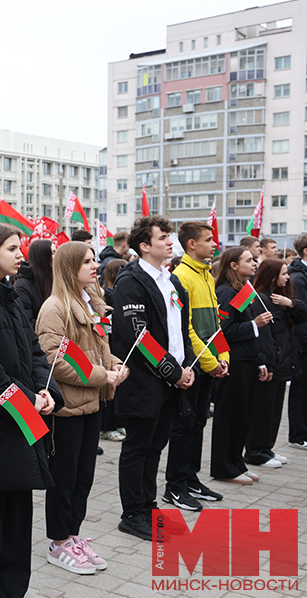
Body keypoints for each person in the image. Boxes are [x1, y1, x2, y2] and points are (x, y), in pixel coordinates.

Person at [0, 224, 58, 598]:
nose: (21, 255)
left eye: (21, 248)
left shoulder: (12, 297)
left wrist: (45, 390)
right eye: (13, 249)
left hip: (23, 426)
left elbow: (34, 353)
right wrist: (27, 402)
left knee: (18, 530)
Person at [36, 241, 125, 574]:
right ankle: (58, 543)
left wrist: (117, 365)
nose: (94, 266)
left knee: (83, 477)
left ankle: (73, 536)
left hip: (92, 405)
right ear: (69, 267)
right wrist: (105, 375)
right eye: (86, 261)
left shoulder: (90, 304)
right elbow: (55, 362)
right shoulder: (55, 307)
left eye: (93, 260)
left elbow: (101, 349)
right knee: (64, 478)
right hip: (67, 408)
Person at [112, 216, 195, 540]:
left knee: (155, 447)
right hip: (145, 382)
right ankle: (132, 512)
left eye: (169, 236)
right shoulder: (131, 280)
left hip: (170, 381)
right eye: (163, 237)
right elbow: (138, 336)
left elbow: (180, 331)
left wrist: (186, 367)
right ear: (144, 246)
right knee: (138, 447)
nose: (169, 241)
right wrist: (174, 372)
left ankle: (148, 505)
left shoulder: (170, 280)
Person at [164, 222, 227, 508]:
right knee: (184, 425)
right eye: (208, 239)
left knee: (199, 423)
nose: (214, 244)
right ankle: (175, 486)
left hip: (210, 365)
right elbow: (187, 329)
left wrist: (223, 357)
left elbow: (214, 325)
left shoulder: (207, 275)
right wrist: (210, 361)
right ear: (191, 244)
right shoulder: (181, 278)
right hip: (192, 365)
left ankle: (191, 478)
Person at [211, 247, 272, 485]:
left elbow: (248, 331)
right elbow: (224, 331)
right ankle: (224, 467)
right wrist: (255, 324)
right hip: (233, 362)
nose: (254, 263)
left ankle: (236, 463)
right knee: (230, 417)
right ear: (233, 265)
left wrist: (259, 362)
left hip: (247, 361)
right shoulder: (226, 292)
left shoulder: (243, 290)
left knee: (242, 417)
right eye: (248, 260)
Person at [248, 258, 305, 467]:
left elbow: (302, 315)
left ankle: (267, 448)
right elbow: (264, 337)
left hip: (284, 362)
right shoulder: (260, 300)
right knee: (263, 411)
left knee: (273, 411)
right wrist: (268, 364)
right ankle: (256, 451)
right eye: (283, 274)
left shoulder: (281, 298)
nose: (287, 277)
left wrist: (290, 304)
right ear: (273, 276)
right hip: (272, 363)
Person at [100, 258, 126, 443]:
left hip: (116, 347)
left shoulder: (120, 292)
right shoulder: (106, 295)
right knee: (109, 388)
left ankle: (116, 422)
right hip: (109, 344)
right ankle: (107, 427)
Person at [287, 234, 307, 450]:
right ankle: (298, 435)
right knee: (300, 390)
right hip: (302, 343)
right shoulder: (299, 277)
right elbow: (301, 314)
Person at [14, 239, 54, 323]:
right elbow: (27, 322)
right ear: (42, 256)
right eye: (53, 253)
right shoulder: (22, 285)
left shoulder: (56, 280)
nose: (57, 256)